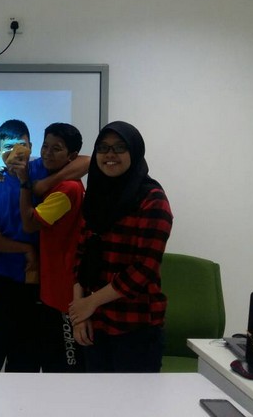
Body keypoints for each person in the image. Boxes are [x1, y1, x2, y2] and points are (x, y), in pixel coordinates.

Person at [69, 121, 173, 372]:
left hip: (135, 326)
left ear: (134, 152)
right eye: (103, 148)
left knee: (134, 398)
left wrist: (90, 303)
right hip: (94, 324)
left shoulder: (152, 199)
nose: (110, 154)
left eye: (119, 147)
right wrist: (80, 314)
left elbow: (144, 269)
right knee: (95, 396)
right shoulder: (94, 196)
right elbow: (81, 257)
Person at [15, 123, 86, 373]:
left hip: (64, 292)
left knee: (65, 368)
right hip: (54, 289)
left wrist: (25, 183)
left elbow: (29, 224)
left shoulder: (67, 189)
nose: (47, 153)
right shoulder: (60, 182)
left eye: (57, 149)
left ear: (72, 156)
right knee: (52, 362)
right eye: (45, 146)